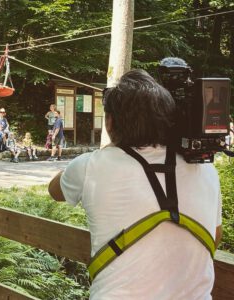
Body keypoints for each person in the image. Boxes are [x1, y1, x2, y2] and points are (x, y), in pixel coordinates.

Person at [48, 70, 222, 299]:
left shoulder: (91, 166)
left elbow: (54, 190)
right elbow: (215, 236)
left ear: (110, 122)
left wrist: (111, 147)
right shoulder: (205, 168)